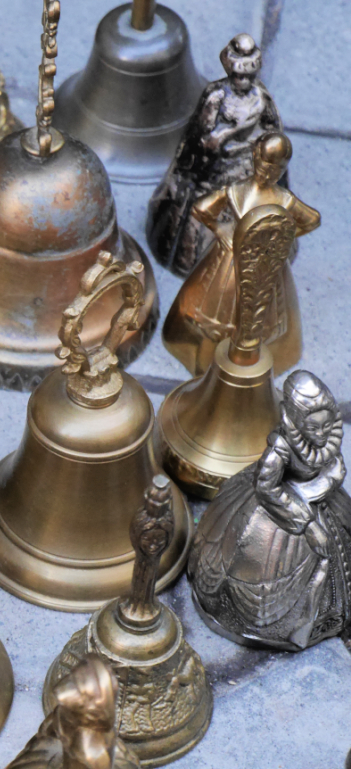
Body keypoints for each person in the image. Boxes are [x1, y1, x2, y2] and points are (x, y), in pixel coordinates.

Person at [190, 370, 351, 651]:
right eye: (315, 429)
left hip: (325, 503)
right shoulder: (280, 448)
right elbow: (266, 486)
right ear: (296, 422)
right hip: (279, 517)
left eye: (327, 427)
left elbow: (332, 463)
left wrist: (330, 479)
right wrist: (305, 519)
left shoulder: (324, 439)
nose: (322, 434)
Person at [162, 132, 320, 375]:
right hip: (229, 265)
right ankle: (209, 366)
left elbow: (312, 220)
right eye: (263, 167)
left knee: (265, 321)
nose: (267, 175)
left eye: (274, 171)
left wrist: (282, 238)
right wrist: (219, 228)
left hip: (266, 271)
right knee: (215, 318)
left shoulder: (283, 199)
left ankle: (251, 367)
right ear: (254, 160)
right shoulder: (236, 191)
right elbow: (201, 208)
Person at [147, 34, 285, 277]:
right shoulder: (216, 96)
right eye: (238, 76)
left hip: (248, 171)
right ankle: (196, 263)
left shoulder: (261, 97)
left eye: (248, 76)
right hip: (214, 173)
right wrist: (229, 135)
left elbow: (273, 130)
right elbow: (203, 138)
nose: (243, 81)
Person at [6, 656, 139, 769]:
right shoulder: (64, 714)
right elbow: (49, 728)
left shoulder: (93, 749)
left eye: (75, 682)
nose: (65, 687)